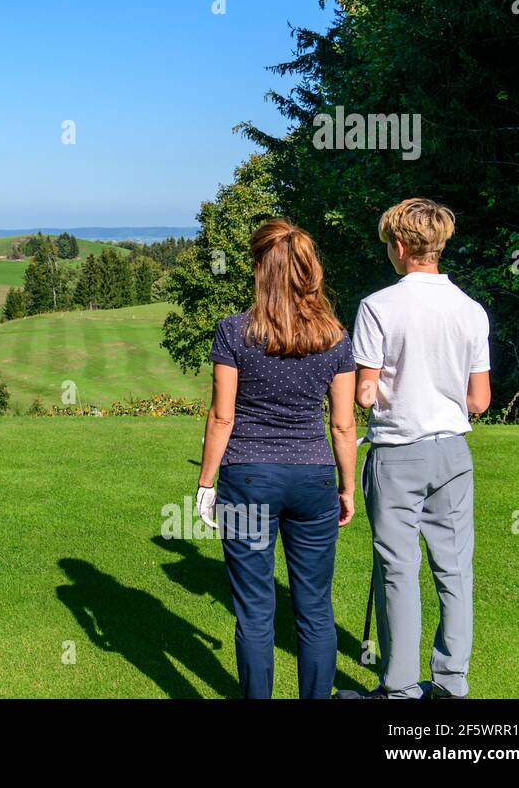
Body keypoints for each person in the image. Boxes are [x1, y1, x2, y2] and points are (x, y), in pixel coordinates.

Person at [195, 219, 358, 698]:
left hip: (248, 477)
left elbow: (221, 418)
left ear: (260, 268)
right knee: (314, 609)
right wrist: (346, 487)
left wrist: (205, 485)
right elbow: (343, 425)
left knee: (254, 610)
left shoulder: (233, 331)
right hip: (313, 479)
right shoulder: (335, 337)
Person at [337, 199, 490, 699]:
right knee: (454, 569)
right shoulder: (471, 309)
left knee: (397, 571)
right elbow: (480, 401)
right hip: (453, 453)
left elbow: (364, 393)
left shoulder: (379, 306)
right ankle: (450, 682)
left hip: (397, 452)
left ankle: (400, 688)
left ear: (400, 247)